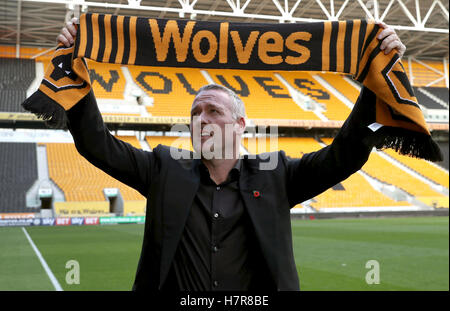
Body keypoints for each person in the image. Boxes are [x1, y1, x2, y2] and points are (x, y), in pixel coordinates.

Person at [58, 18, 406, 291]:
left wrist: (375, 80)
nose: (201, 120)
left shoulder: (277, 174)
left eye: (213, 111)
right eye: (194, 114)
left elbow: (343, 155)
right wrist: (74, 68)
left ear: (240, 124)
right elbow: (96, 143)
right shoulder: (164, 168)